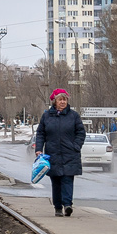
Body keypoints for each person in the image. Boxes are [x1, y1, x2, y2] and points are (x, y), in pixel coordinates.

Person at [35, 88, 86, 217]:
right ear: (55, 101)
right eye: (60, 99)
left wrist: (76, 146)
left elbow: (81, 132)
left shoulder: (73, 116)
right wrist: (39, 149)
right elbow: (41, 133)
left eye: (65, 99)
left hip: (70, 153)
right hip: (52, 154)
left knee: (68, 179)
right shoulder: (47, 116)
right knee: (56, 181)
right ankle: (58, 207)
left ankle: (68, 205)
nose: (63, 102)